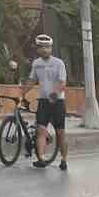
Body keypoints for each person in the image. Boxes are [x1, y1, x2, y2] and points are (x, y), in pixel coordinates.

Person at [24, 34, 69, 171]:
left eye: (47, 47)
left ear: (51, 48)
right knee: (41, 130)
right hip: (43, 102)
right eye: (42, 47)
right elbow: (32, 80)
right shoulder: (36, 63)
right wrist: (22, 92)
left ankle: (64, 159)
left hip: (57, 102)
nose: (44, 50)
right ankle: (42, 158)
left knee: (60, 132)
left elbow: (62, 83)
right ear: (37, 49)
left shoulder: (58, 63)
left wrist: (55, 93)